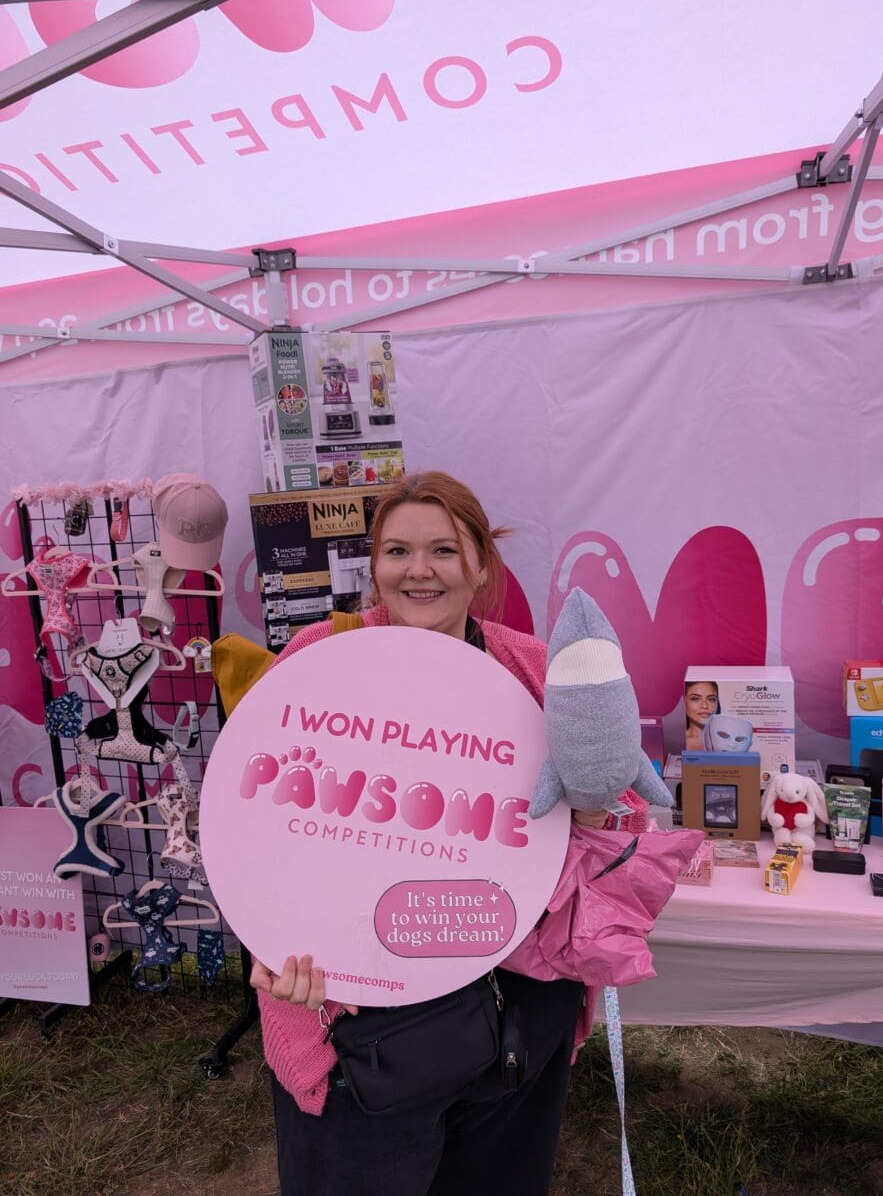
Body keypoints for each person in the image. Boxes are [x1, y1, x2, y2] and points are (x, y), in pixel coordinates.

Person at [249, 471, 604, 1196]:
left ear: (481, 565)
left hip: (516, 1008)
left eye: (443, 549)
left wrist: (594, 811)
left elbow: (615, 820)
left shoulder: (533, 672)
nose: (419, 570)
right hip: (356, 1015)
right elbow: (255, 818)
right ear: (374, 565)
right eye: (397, 551)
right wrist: (268, 932)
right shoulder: (318, 658)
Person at [684, 679, 719, 750]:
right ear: (684, 702)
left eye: (711, 699)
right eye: (695, 699)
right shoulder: (674, 742)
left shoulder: (732, 742)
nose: (705, 706)